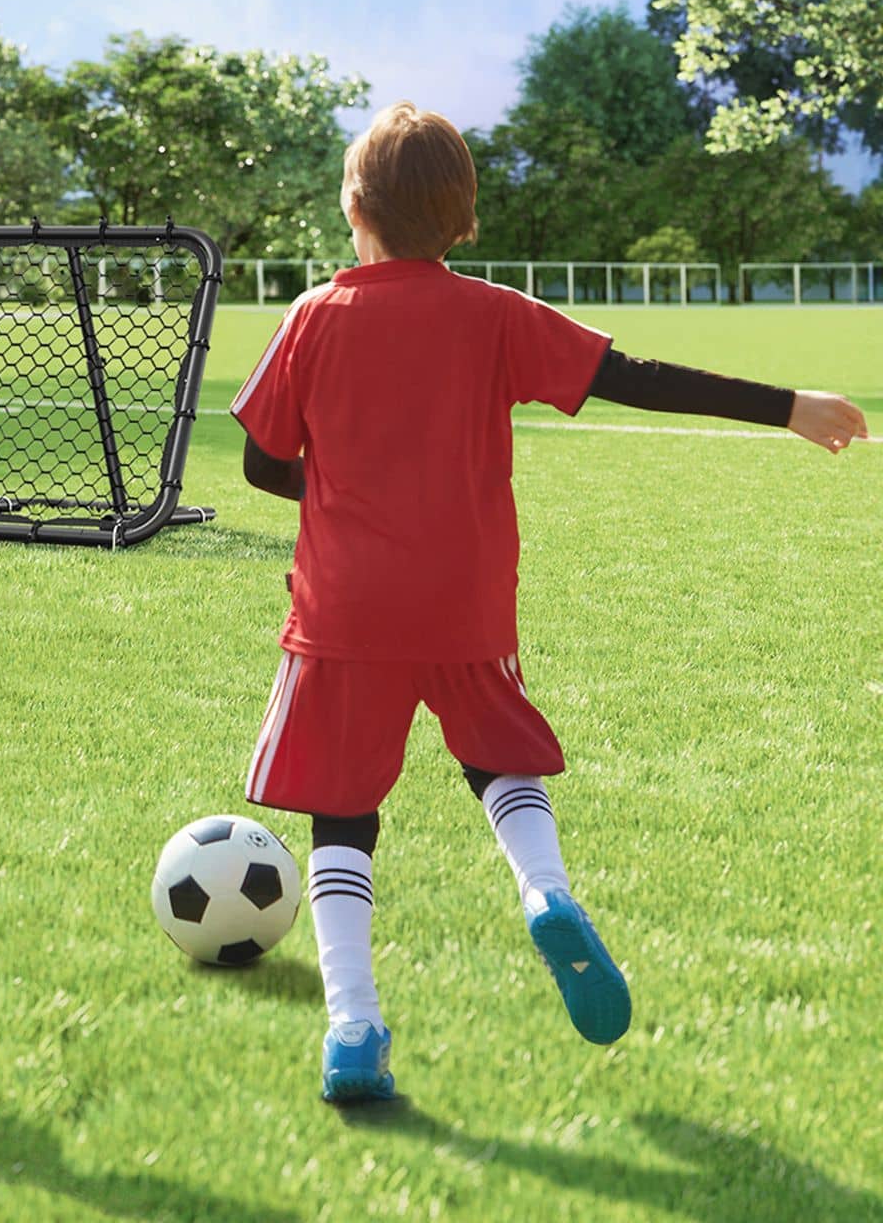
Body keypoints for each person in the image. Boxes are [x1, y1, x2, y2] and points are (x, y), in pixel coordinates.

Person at [231, 101, 868, 1103]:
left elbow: (263, 465)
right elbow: (636, 377)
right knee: (500, 759)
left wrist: (346, 500)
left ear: (352, 205)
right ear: (464, 220)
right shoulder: (493, 313)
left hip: (345, 610)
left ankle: (352, 1024)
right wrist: (789, 406)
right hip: (465, 601)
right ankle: (544, 891)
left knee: (342, 810)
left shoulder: (312, 316)